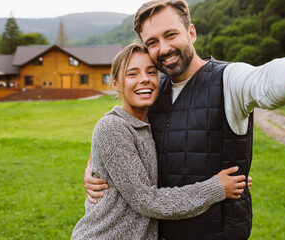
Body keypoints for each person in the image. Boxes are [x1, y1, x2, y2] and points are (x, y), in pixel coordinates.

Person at [84, 1, 285, 239]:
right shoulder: (153, 92)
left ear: (191, 32)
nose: (164, 48)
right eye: (153, 43)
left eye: (170, 35)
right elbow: (120, 131)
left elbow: (266, 81)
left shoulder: (228, 79)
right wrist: (95, 166)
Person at [71, 42, 248, 240]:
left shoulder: (152, 121)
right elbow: (147, 201)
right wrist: (216, 188)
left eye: (151, 72)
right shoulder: (112, 127)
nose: (144, 79)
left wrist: (232, 181)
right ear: (115, 83)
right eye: (133, 74)